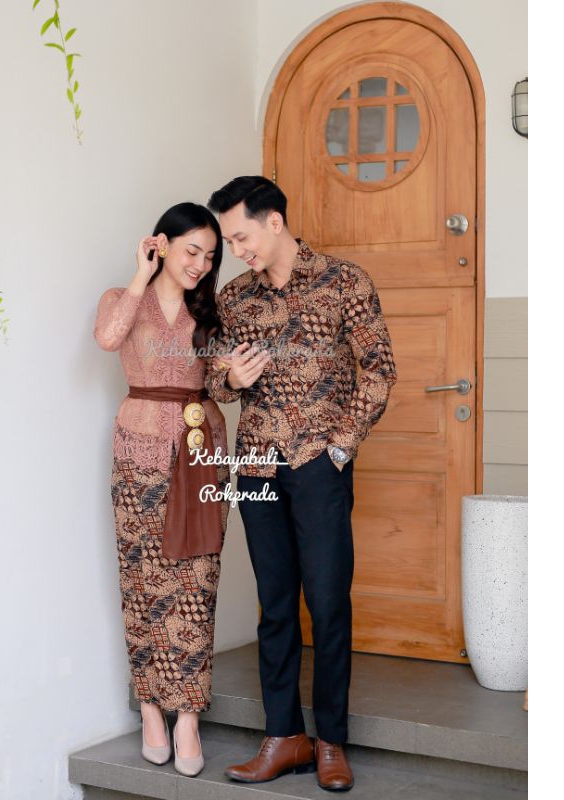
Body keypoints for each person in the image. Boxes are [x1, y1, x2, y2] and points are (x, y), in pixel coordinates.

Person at [205, 176, 397, 792]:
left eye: (242, 237)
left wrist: (339, 448)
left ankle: (331, 740)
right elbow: (212, 378)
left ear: (274, 222)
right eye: (230, 242)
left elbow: (379, 369)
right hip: (256, 467)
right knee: (276, 604)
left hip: (319, 463)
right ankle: (284, 736)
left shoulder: (344, 282)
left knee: (328, 601)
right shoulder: (235, 298)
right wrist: (230, 380)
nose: (237, 251)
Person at [93, 202, 231, 778]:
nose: (200, 264)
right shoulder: (122, 298)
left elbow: (226, 381)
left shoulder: (212, 312)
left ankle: (189, 717)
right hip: (139, 456)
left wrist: (238, 373)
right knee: (142, 581)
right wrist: (140, 275)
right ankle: (151, 707)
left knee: (197, 583)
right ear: (162, 244)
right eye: (192, 250)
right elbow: (108, 338)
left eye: (210, 255)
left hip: (202, 453)